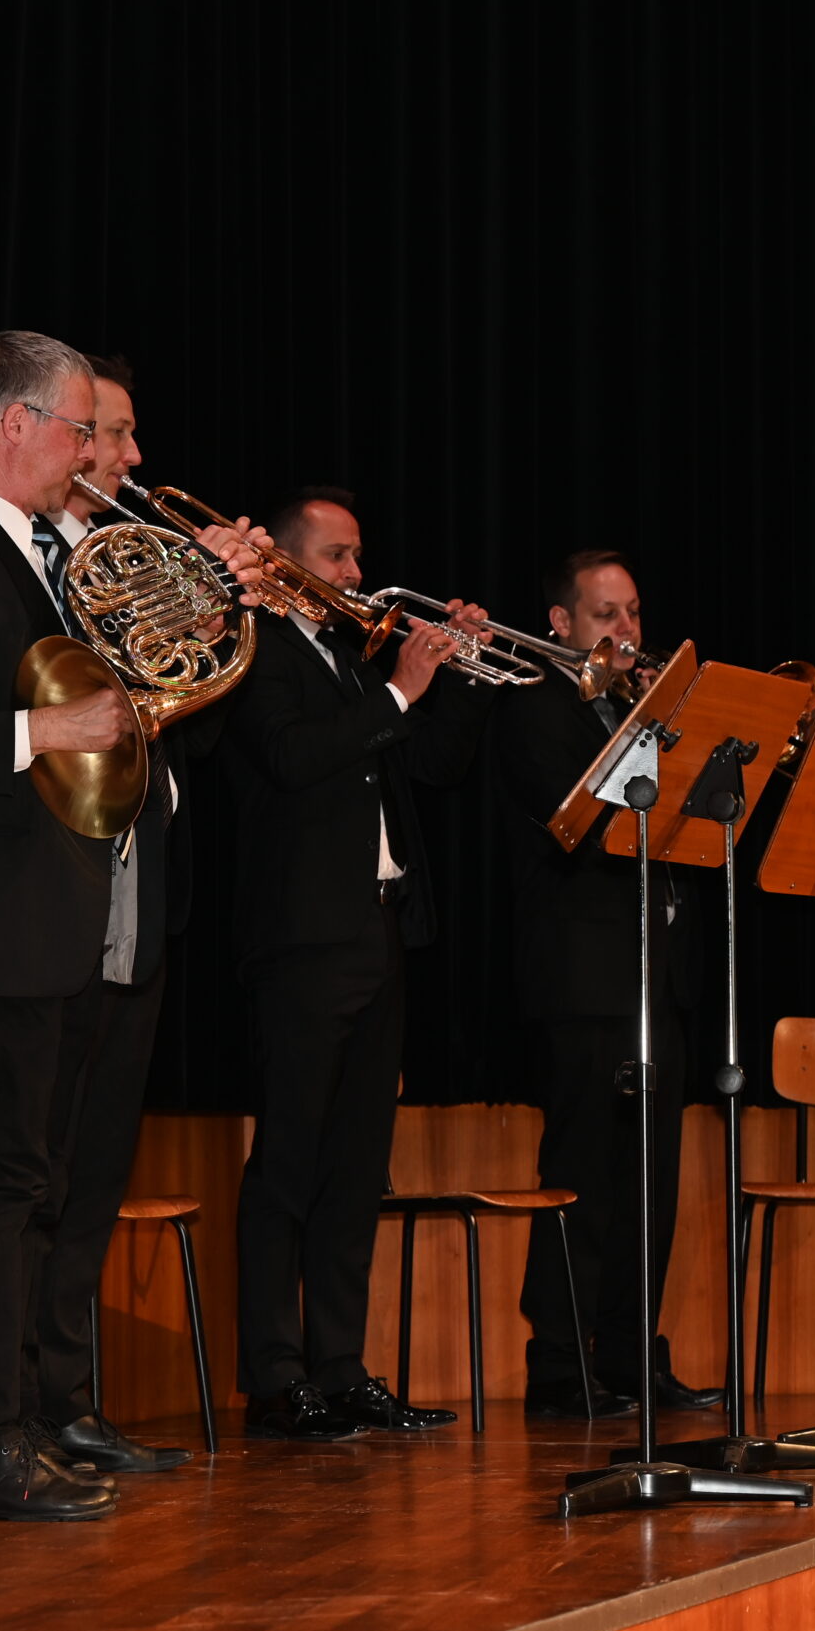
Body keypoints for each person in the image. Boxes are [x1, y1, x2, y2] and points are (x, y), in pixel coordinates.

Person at [0, 331, 259, 1520]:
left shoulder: (37, 554)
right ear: (15, 422)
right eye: (82, 428)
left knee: (41, 1185)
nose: (97, 451)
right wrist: (41, 735)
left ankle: (28, 1422)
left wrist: (212, 590)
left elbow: (144, 685)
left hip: (66, 919)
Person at [221, 488, 496, 1440]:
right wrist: (396, 690)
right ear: (291, 562)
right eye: (337, 558)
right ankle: (274, 1374)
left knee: (354, 1168)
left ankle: (339, 1367)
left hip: (377, 932)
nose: (355, 575)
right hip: (301, 939)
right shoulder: (251, 646)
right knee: (289, 1161)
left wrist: (446, 672)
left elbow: (441, 764)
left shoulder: (345, 656)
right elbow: (293, 759)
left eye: (356, 556)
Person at [20, 353, 248, 1473]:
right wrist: (193, 582)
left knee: (96, 1168)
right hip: (51, 906)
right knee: (37, 1173)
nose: (131, 457)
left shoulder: (111, 560)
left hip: (137, 904)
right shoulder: (36, 567)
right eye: (113, 434)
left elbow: (174, 721)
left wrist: (213, 609)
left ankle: (62, 1398)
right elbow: (75, 688)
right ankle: (13, 1410)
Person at [492, 549, 727, 1418]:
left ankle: (633, 1355)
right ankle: (559, 1361)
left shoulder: (643, 711)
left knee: (651, 1185)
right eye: (605, 617)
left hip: (658, 978)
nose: (626, 634)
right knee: (585, 1175)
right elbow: (583, 825)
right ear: (561, 624)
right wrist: (647, 724)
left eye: (632, 613)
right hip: (585, 980)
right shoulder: (536, 710)